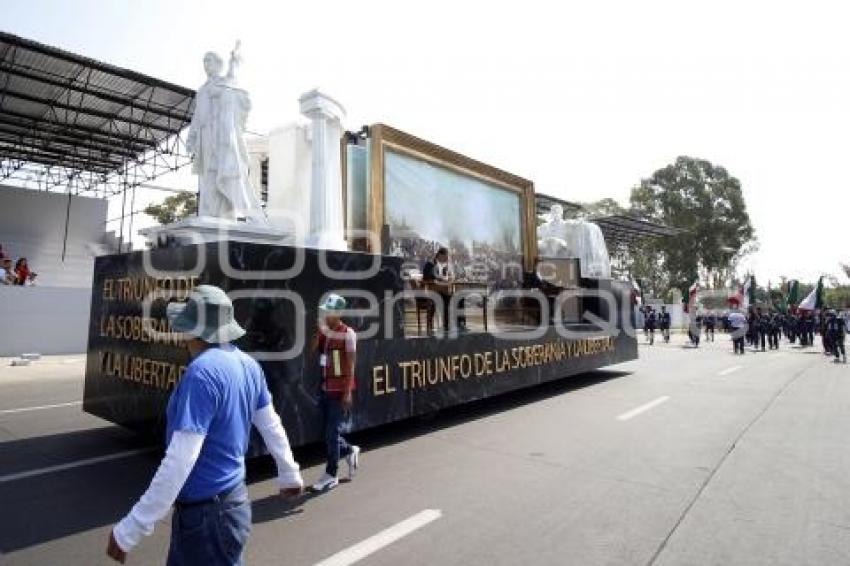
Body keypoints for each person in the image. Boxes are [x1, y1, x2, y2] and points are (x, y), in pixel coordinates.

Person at [106, 285, 303, 565]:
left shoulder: (202, 373)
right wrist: (289, 473)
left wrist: (132, 528)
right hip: (232, 504)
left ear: (192, 330)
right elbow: (271, 425)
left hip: (206, 519)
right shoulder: (248, 365)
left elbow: (180, 458)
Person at [310, 294, 361, 492]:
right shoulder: (326, 332)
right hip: (325, 388)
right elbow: (312, 350)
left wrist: (348, 392)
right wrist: (318, 331)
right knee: (330, 433)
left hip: (340, 390)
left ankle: (331, 474)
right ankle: (349, 450)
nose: (326, 315)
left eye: (329, 312)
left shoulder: (348, 333)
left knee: (331, 433)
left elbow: (351, 364)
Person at [422, 247, 466, 333]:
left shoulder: (443, 266)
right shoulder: (430, 264)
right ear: (439, 255)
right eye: (445, 258)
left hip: (443, 291)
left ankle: (460, 323)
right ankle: (446, 325)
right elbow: (427, 277)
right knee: (447, 300)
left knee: (460, 297)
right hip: (433, 292)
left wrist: (450, 278)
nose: (446, 260)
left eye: (447, 258)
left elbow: (447, 277)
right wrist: (441, 278)